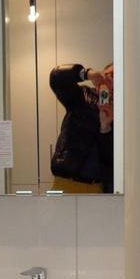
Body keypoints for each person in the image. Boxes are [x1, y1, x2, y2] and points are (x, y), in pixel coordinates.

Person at [49, 62, 113, 193]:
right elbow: (56, 79)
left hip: (98, 187)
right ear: (102, 75)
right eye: (110, 75)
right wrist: (87, 74)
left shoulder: (124, 112)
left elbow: (111, 160)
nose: (113, 81)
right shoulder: (82, 95)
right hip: (67, 181)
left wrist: (105, 128)